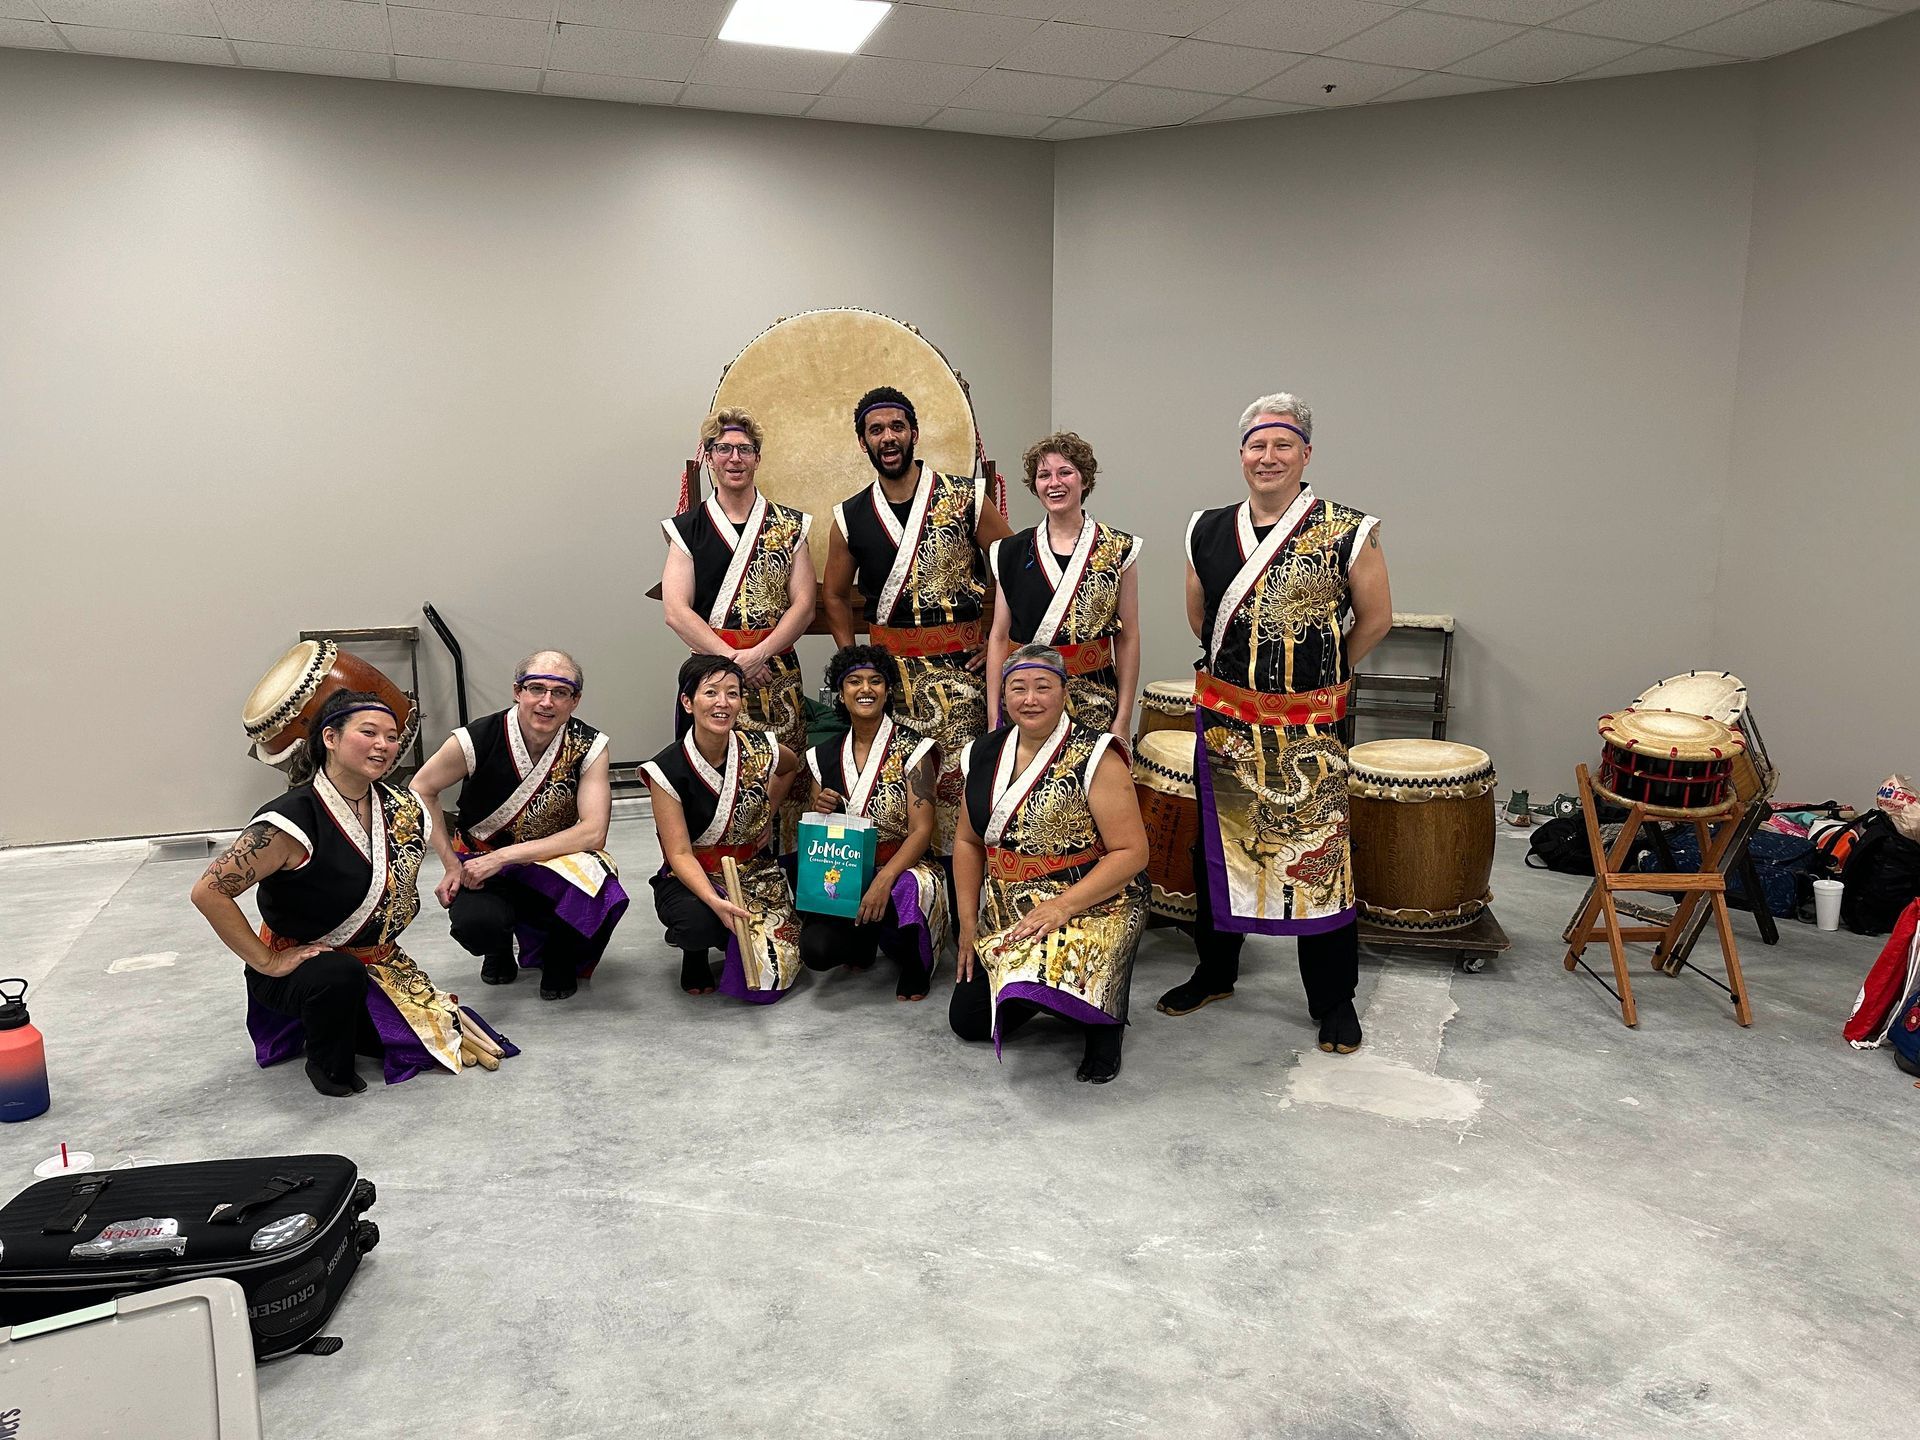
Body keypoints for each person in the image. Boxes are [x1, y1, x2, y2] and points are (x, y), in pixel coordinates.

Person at [1159, 393, 1393, 1056]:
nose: (1269, 457)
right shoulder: (1204, 527)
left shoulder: (1348, 527)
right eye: (1257, 446)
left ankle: (1333, 1000)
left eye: (1283, 445)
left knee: (1320, 864)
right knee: (1218, 853)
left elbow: (1374, 618)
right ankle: (1215, 970)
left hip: (1310, 730)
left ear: (1306, 454)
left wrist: (1319, 671)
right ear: (1242, 456)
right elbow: (1201, 619)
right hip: (1228, 720)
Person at [190, 690, 515, 1096]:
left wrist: (454, 865)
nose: (384, 745)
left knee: (427, 1043)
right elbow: (209, 893)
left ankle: (360, 1017)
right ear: (330, 738)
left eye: (392, 737)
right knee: (338, 979)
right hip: (309, 967)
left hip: (378, 961)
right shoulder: (289, 820)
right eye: (369, 732)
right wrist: (268, 961)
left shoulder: (402, 805)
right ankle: (325, 1063)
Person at [822, 385, 1013, 851]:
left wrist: (996, 639)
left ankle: (962, 889)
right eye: (876, 430)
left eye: (896, 427)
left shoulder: (965, 497)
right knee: (896, 786)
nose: (888, 438)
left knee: (962, 783)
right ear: (862, 441)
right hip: (891, 681)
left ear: (914, 433)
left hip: (960, 675)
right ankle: (906, 894)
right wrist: (854, 660)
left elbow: (1013, 567)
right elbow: (832, 594)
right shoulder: (849, 515)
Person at [950, 645, 1149, 1083]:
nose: (1030, 699)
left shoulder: (1096, 754)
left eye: (1043, 687)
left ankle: (1103, 1024)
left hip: (1089, 901)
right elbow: (966, 841)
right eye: (1018, 688)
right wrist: (967, 923)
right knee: (968, 1022)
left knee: (1071, 997)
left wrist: (1062, 906)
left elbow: (1132, 853)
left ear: (1064, 692)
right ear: (1003, 696)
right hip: (1009, 908)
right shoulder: (982, 753)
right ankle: (1048, 990)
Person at [409, 650, 627, 1003]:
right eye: (536, 688)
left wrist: (507, 857)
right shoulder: (477, 738)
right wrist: (450, 863)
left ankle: (558, 952)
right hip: (481, 862)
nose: (546, 701)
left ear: (575, 700)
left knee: (598, 881)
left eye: (560, 692)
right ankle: (498, 948)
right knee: (477, 926)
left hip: (551, 861)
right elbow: (422, 788)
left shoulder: (589, 745)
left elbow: (593, 832)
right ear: (517, 691)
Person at [661, 407, 816, 847]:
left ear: (757, 458)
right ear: (708, 457)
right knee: (717, 775)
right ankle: (713, 870)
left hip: (776, 673)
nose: (734, 458)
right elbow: (676, 610)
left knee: (786, 773)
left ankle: (786, 876)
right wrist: (735, 661)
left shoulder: (790, 525)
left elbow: (803, 606)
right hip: (715, 674)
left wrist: (761, 653)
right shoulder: (687, 529)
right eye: (723, 448)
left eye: (744, 449)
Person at [642, 654, 803, 1003]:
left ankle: (728, 934)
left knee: (769, 981)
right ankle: (695, 951)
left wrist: (768, 811)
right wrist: (716, 902)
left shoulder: (761, 747)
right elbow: (679, 853)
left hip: (754, 872)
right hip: (693, 874)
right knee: (697, 922)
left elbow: (790, 768)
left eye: (733, 693)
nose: (722, 703)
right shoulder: (665, 769)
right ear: (688, 702)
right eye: (711, 693)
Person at [799, 645, 949, 1001]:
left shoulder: (916, 749)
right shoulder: (821, 754)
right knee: (817, 952)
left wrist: (883, 879)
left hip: (904, 865)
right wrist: (820, 807)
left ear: (888, 690)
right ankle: (863, 937)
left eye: (875, 681)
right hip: (846, 867)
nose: (865, 689)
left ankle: (915, 962)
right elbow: (817, 826)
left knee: (907, 890)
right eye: (854, 681)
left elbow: (922, 831)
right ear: (840, 691)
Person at [985, 431, 1141, 737]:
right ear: (1035, 486)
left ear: (1084, 481)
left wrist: (1123, 718)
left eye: (1065, 472)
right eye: (1044, 475)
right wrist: (994, 717)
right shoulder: (1009, 551)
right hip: (1027, 701)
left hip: (1095, 701)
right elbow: (999, 637)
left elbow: (1128, 638)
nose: (1054, 483)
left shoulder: (1118, 549)